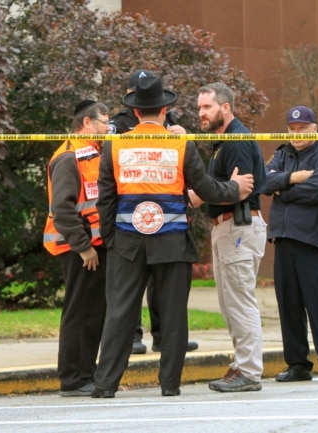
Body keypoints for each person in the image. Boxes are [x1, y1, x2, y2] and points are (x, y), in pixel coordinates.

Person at [92, 73, 254, 398]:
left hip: (126, 242)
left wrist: (111, 239)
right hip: (172, 243)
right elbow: (205, 188)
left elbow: (105, 200)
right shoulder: (180, 143)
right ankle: (169, 385)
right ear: (164, 111)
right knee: (174, 316)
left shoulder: (116, 145)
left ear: (135, 112)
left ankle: (105, 384)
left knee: (120, 313)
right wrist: (235, 188)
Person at [111, 69, 198, 356]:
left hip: (168, 217)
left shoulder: (171, 125)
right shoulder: (120, 126)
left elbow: (189, 169)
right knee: (131, 289)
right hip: (135, 218)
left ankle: (164, 337)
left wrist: (184, 138)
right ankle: (134, 336)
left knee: (164, 290)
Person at [188, 82, 267, 392]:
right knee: (228, 302)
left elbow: (241, 189)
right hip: (226, 228)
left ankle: (249, 371)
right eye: (199, 108)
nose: (201, 113)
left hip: (239, 226)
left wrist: (197, 196)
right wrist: (206, 193)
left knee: (240, 300)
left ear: (225, 107)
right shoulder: (221, 143)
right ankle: (241, 365)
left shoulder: (236, 141)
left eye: (206, 107)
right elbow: (224, 188)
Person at [263, 105, 318, 382]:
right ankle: (297, 364)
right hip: (284, 239)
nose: (296, 133)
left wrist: (282, 191)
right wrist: (294, 177)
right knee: (289, 305)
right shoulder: (283, 153)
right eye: (292, 129)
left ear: (315, 129)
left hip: (314, 240)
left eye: (302, 128)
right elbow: (263, 181)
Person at [43, 100, 111, 396]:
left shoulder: (91, 153)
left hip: (91, 246)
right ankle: (73, 378)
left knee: (92, 312)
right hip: (79, 250)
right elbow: (62, 210)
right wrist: (84, 248)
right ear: (87, 123)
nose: (108, 129)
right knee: (79, 312)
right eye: (104, 123)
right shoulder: (69, 158)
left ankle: (85, 373)